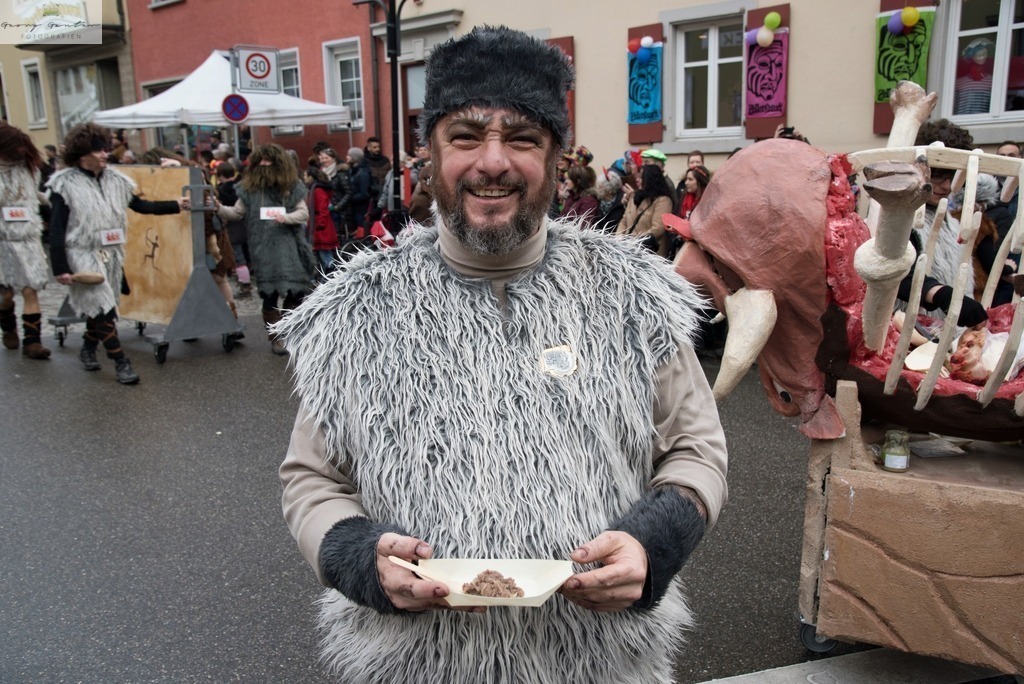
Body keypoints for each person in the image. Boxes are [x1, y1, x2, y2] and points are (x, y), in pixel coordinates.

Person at [276, 26, 728, 683]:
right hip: (411, 664)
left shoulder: (634, 296)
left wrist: (653, 543)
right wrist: (354, 556)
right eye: (465, 136)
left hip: (598, 664)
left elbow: (697, 449)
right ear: (429, 153)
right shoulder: (357, 311)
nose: (493, 162)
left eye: (521, 138)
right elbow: (310, 477)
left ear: (553, 156)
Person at [48, 123, 188, 384]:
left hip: (112, 255)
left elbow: (142, 206)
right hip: (82, 253)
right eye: (98, 150)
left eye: (105, 149)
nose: (104, 154)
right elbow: (56, 229)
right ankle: (121, 362)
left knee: (101, 306)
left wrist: (176, 205)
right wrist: (60, 267)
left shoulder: (117, 181)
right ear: (82, 154)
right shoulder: (64, 185)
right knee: (103, 308)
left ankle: (88, 350)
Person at [216, 143, 314, 355]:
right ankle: (276, 337)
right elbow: (236, 213)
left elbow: (303, 213)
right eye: (261, 162)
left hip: (289, 248)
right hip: (263, 249)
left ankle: (287, 330)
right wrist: (217, 207)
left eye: (268, 161)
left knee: (297, 291)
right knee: (269, 295)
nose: (264, 165)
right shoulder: (249, 189)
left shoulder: (291, 186)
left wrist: (285, 218)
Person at [0, 123, 52, 360]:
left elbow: (32, 193)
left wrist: (45, 200)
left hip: (28, 237)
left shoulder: (29, 169)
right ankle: (8, 324)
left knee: (31, 289)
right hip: (2, 240)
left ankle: (33, 342)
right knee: (5, 294)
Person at [617, 163, 676, 259]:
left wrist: (634, 241)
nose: (637, 180)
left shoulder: (663, 201)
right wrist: (619, 239)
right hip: (628, 252)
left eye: (641, 177)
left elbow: (657, 229)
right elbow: (624, 220)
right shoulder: (634, 197)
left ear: (650, 179)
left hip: (649, 254)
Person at [303, 165, 340, 278]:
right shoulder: (314, 189)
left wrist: (320, 224)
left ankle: (330, 277)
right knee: (322, 255)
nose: (304, 177)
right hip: (319, 226)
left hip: (322, 228)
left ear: (311, 177)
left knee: (325, 255)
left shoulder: (318, 190)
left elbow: (323, 209)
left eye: (305, 175)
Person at [558, 163, 599, 228]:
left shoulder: (589, 201)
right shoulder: (571, 196)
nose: (566, 182)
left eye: (569, 179)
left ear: (578, 181)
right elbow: (561, 218)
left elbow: (583, 226)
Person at [346, 146, 372, 231]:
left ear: (354, 158)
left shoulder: (363, 173)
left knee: (361, 230)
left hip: (361, 209)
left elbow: (364, 193)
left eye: (349, 155)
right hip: (354, 208)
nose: (347, 157)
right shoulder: (352, 171)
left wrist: (349, 199)